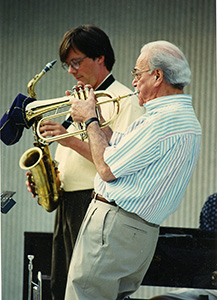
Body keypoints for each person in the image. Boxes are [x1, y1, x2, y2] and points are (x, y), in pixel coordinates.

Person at [65, 40, 202, 300]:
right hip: (138, 232)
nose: (135, 82)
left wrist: (90, 119)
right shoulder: (182, 118)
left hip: (115, 226)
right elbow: (120, 147)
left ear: (158, 76)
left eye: (137, 74)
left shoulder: (162, 120)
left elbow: (106, 168)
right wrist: (96, 122)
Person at [27, 25, 144, 300]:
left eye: (76, 62)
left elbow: (120, 165)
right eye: (68, 64)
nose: (71, 71)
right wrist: (46, 179)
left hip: (93, 203)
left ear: (100, 58)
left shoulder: (124, 100)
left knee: (86, 290)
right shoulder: (81, 100)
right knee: (61, 287)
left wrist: (68, 139)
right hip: (68, 204)